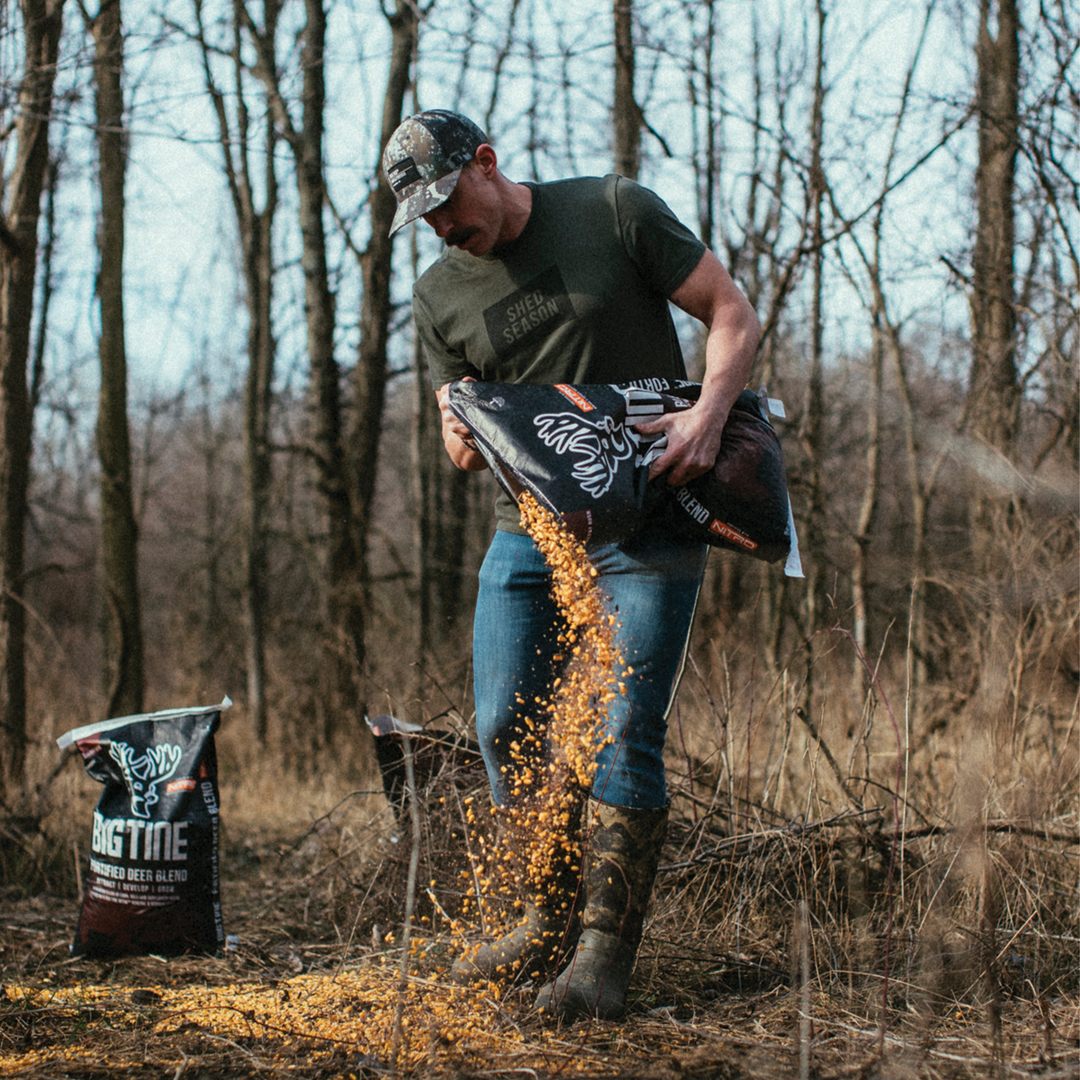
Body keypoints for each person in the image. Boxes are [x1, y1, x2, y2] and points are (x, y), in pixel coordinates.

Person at [382, 109, 761, 1020]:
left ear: (486, 162)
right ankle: (545, 920)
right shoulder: (439, 299)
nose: (440, 225)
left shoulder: (613, 210)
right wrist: (456, 433)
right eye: (420, 217)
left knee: (625, 726)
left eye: (445, 201)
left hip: (646, 520)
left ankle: (600, 960)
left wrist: (708, 417)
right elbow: (460, 445)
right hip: (528, 534)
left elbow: (731, 314)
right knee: (502, 716)